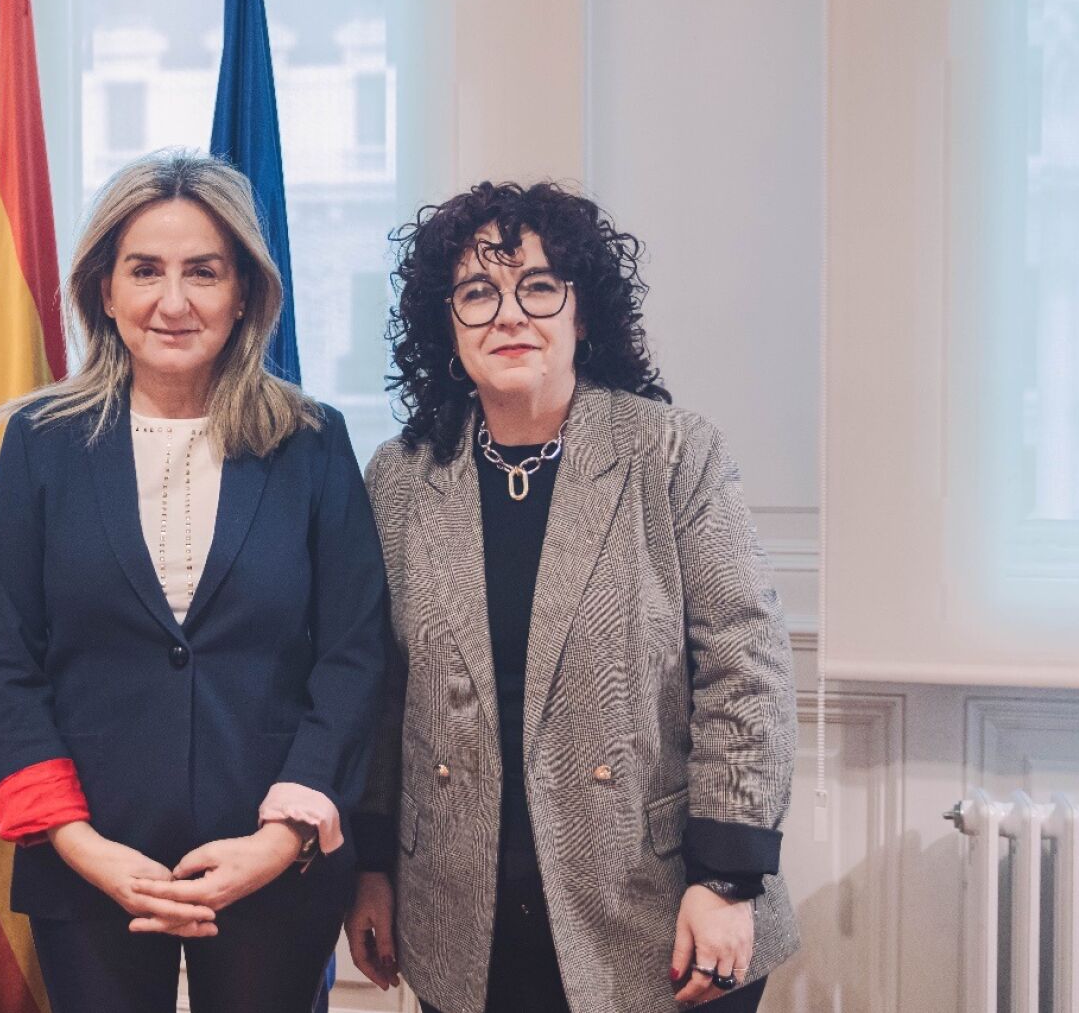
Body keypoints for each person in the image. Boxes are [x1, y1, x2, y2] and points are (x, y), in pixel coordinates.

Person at [343, 182, 800, 1013]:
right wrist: (371, 863)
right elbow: (379, 691)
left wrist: (727, 877)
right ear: (447, 324)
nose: (509, 314)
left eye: (539, 286)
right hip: (463, 921)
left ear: (582, 313)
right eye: (478, 292)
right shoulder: (401, 477)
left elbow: (747, 664)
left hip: (663, 910)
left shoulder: (672, 454)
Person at [0, 149, 390, 1013]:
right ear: (104, 290)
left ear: (244, 293)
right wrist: (81, 844)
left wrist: (280, 838)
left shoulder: (311, 441)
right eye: (145, 270)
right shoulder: (40, 444)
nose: (173, 300)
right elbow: (4, 661)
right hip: (90, 861)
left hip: (273, 862)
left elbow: (354, 653)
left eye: (203, 271)